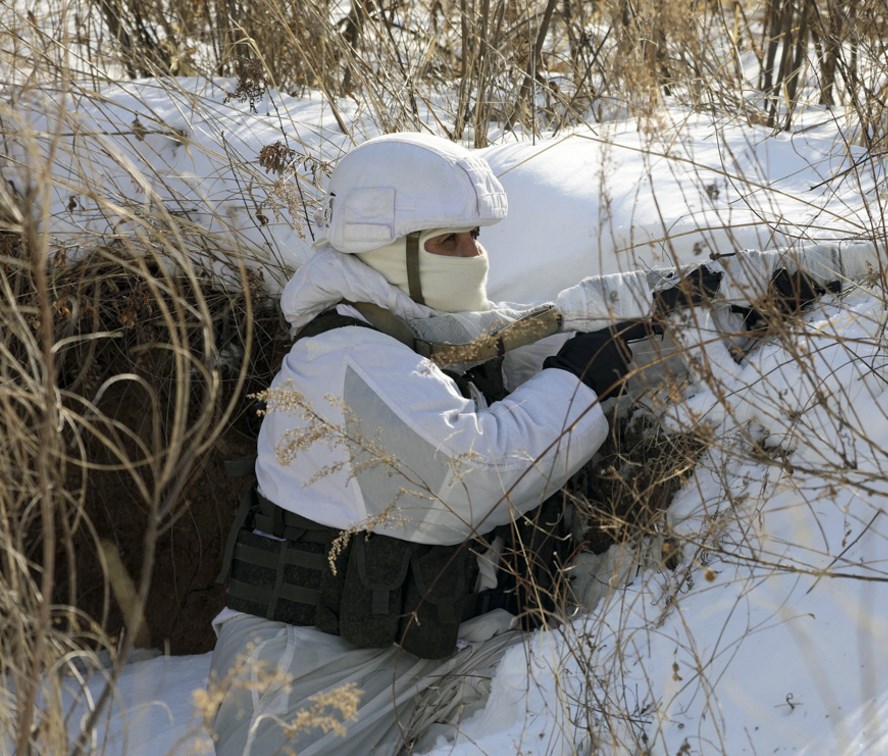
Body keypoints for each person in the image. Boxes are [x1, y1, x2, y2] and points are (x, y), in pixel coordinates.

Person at [207, 132, 651, 754]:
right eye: (450, 241)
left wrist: (687, 311)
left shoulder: (406, 334)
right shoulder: (345, 357)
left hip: (415, 663)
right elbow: (470, 477)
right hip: (304, 684)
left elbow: (527, 336)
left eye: (476, 236)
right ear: (389, 249)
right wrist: (579, 381)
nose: (473, 254)